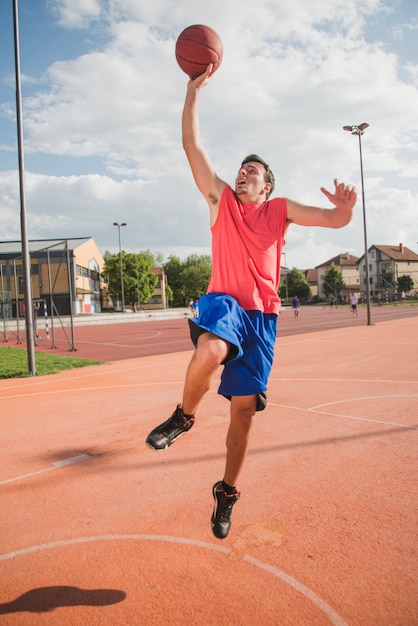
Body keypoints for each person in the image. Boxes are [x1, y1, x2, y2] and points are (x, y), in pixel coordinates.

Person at [146, 65, 357, 540]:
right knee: (211, 350)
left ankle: (226, 492)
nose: (244, 173)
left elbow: (330, 218)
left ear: (267, 187)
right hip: (224, 305)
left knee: (244, 411)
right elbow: (191, 147)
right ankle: (183, 416)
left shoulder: (280, 213)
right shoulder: (221, 201)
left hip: (261, 319)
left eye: (254, 171)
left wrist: (343, 213)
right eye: (242, 168)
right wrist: (191, 93)